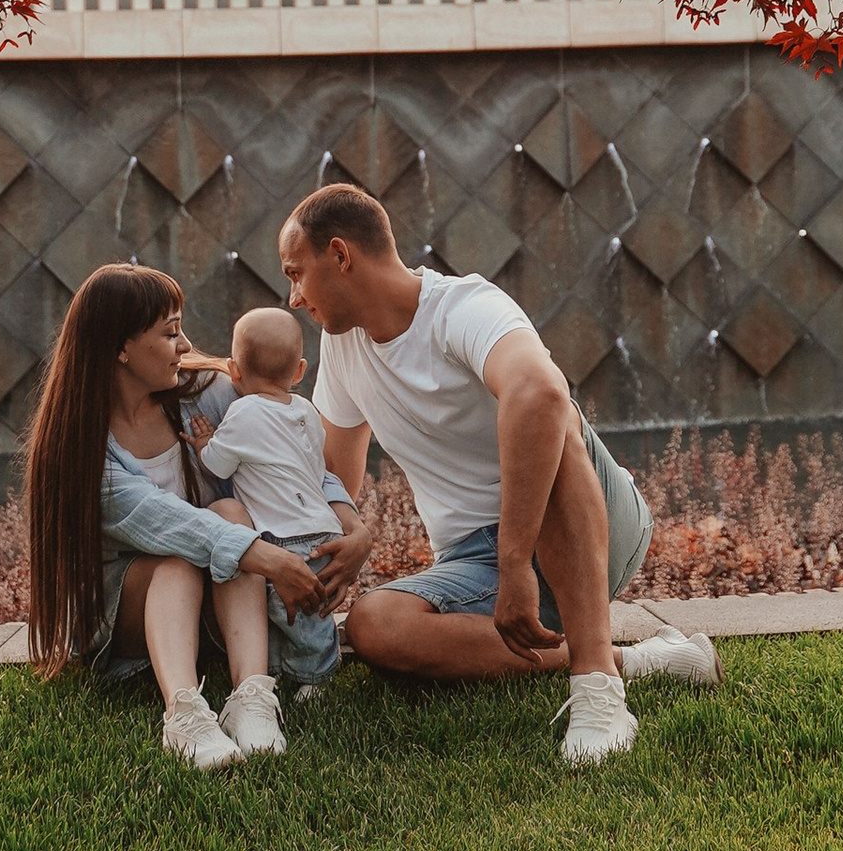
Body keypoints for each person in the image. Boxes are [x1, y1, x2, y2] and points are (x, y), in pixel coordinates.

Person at [281, 182, 717, 769]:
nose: (292, 298)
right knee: (374, 624)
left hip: (585, 522)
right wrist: (348, 532)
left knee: (545, 412)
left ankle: (598, 688)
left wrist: (515, 564)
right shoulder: (343, 349)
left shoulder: (462, 307)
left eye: (295, 273)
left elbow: (539, 394)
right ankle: (637, 659)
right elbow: (333, 474)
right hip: (473, 558)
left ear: (340, 256)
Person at [24, 262, 335, 769]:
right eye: (170, 334)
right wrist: (272, 560)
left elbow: (294, 452)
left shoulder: (207, 394)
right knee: (180, 554)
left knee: (231, 512)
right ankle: (185, 716)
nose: (187, 346)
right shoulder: (82, 448)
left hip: (216, 591)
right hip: (130, 607)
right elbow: (167, 522)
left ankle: (252, 699)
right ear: (120, 348)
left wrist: (350, 520)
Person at [193, 303, 360, 695]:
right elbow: (317, 466)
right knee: (312, 611)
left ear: (234, 371)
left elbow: (217, 466)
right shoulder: (306, 411)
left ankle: (316, 675)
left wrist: (205, 442)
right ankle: (305, 666)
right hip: (322, 527)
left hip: (279, 536)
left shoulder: (241, 412)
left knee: (284, 610)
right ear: (299, 371)